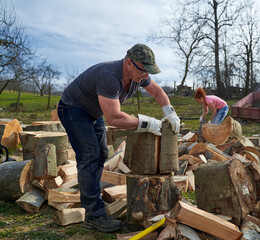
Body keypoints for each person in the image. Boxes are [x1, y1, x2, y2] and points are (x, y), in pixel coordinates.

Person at [57, 43, 180, 233]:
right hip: (73, 109)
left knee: (101, 154)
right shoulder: (109, 76)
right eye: (143, 71)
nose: (145, 76)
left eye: (149, 72)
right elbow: (113, 117)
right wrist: (149, 123)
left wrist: (169, 112)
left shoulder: (139, 76)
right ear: (129, 63)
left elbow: (158, 91)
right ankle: (94, 215)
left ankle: (93, 199)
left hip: (92, 112)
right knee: (89, 155)